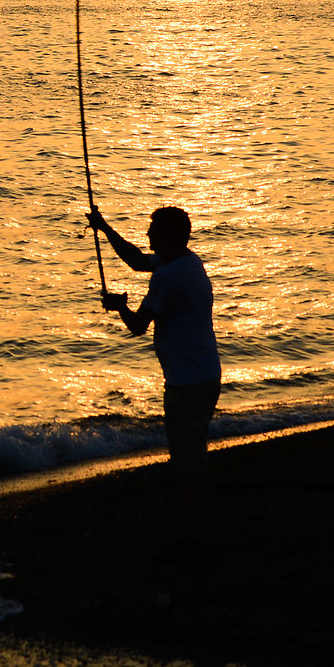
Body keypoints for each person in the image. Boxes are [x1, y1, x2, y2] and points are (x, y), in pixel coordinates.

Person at [89, 204, 223, 553]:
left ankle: (199, 540)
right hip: (206, 376)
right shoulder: (188, 262)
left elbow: (137, 327)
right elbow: (135, 261)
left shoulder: (168, 276)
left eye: (152, 231)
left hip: (186, 385)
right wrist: (104, 228)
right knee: (194, 460)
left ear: (165, 236)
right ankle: (200, 534)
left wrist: (119, 306)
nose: (147, 236)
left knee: (189, 468)